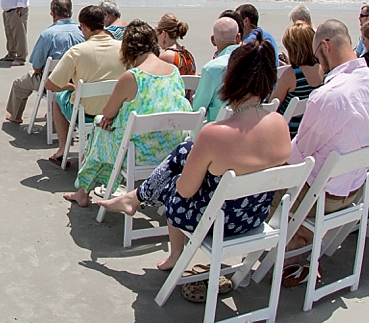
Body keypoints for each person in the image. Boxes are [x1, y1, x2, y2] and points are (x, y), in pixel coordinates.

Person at [96, 39, 291, 277]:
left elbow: (185, 191)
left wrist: (180, 177)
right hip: (255, 216)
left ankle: (142, 208)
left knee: (173, 183)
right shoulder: (280, 124)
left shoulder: (215, 133)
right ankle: (135, 200)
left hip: (218, 224)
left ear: (231, 78)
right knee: (185, 150)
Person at [279, 20, 369, 284]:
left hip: (320, 198)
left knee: (266, 178)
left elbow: (298, 156)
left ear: (325, 46)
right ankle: (303, 246)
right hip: (354, 193)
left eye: (318, 55)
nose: (319, 63)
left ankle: (289, 256)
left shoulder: (328, 96)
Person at [68, 21, 191, 206]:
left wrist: (109, 118)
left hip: (137, 154)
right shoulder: (173, 72)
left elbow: (108, 111)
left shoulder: (133, 76)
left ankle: (83, 192)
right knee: (110, 128)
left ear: (127, 49)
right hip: (171, 149)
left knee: (99, 128)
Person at [43, 5, 125, 164]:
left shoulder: (77, 51)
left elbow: (50, 85)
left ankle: (62, 149)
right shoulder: (124, 49)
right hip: (117, 112)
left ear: (85, 26)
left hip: (88, 113)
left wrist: (70, 87)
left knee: (57, 97)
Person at [4, 0, 84, 124]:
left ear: (52, 13)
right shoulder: (82, 32)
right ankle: (58, 107)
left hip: (52, 83)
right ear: (71, 13)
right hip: (78, 81)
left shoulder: (48, 34)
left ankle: (15, 115)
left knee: (19, 84)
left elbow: (37, 67)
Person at [270, 21, 324, 137]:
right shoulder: (323, 69)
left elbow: (272, 105)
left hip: (289, 133)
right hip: (310, 130)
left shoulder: (291, 75)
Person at [192, 17, 240, 122]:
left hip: (217, 130)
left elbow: (198, 107)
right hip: (251, 127)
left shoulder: (211, 69)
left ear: (213, 40)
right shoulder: (256, 62)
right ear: (238, 37)